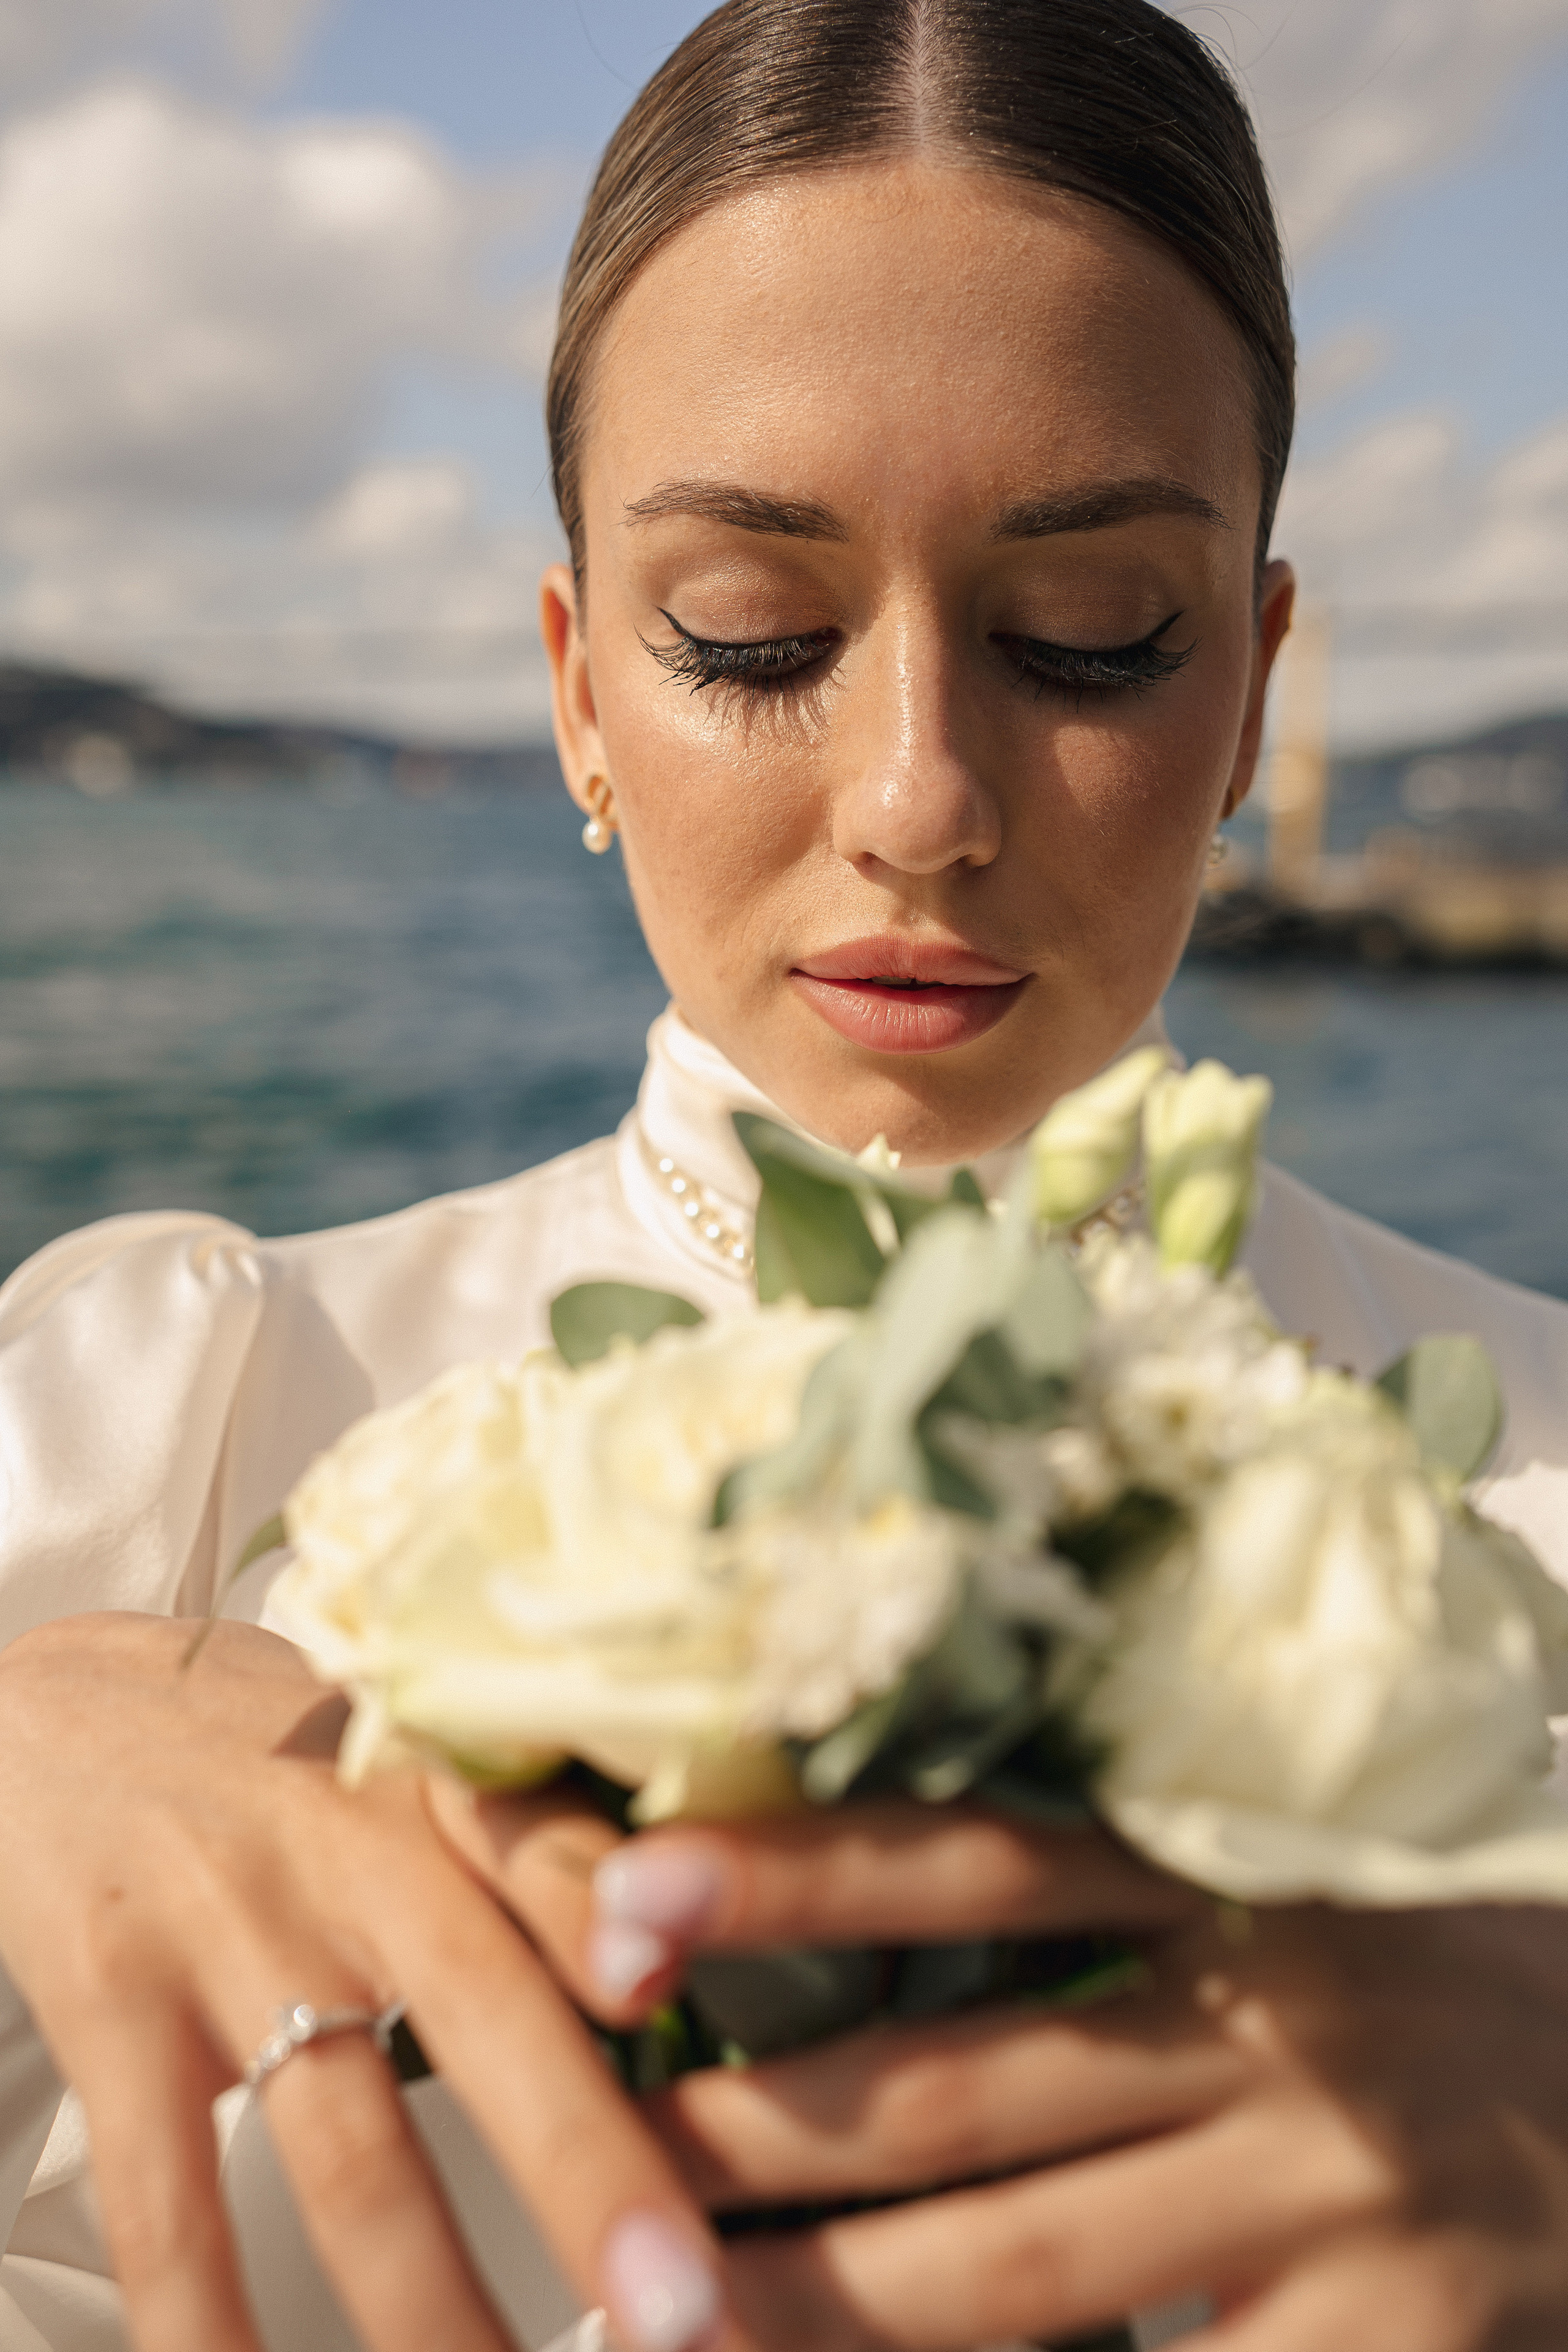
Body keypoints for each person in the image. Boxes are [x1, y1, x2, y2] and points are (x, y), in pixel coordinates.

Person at [3, 2, 1568, 2348]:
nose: (918, 798)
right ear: (574, 694)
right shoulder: (167, 1428)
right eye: (753, 639)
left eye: (1093, 635)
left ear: (1249, 689)